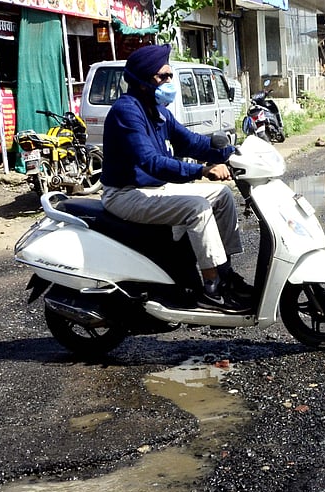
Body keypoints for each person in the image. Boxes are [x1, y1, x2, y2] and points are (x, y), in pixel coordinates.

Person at [99, 43, 247, 312]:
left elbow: (192, 143)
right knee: (197, 207)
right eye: (162, 76)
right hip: (125, 194)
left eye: (170, 75)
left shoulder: (158, 112)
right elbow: (151, 163)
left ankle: (225, 273)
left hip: (153, 190)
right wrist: (201, 171)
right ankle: (211, 288)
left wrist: (233, 154)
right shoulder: (127, 111)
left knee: (222, 196)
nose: (169, 81)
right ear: (143, 81)